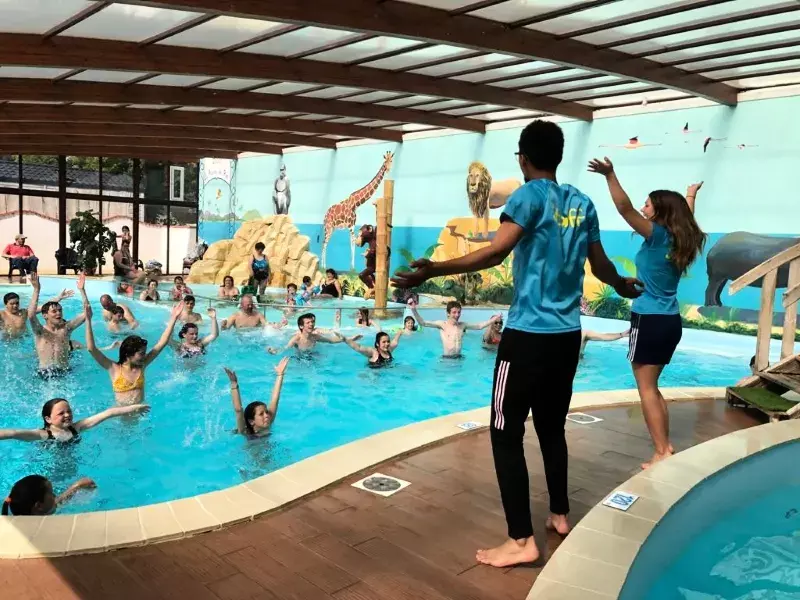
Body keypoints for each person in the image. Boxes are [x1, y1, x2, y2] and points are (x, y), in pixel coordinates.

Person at [392, 120, 642, 568]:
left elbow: (495, 252)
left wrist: (432, 270)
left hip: (527, 336)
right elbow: (600, 265)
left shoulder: (527, 197)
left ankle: (521, 539)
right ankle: (560, 514)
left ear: (523, 159)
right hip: (566, 337)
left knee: (505, 432)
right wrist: (621, 285)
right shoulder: (582, 202)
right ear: (558, 157)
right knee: (551, 428)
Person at [589, 156, 705, 469]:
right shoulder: (682, 238)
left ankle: (661, 451)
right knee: (653, 387)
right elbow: (686, 215)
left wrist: (610, 175)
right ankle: (665, 446)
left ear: (660, 212)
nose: (643, 209)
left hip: (649, 320)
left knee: (647, 389)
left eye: (648, 205)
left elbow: (623, 208)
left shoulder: (657, 237)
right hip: (669, 321)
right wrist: (690, 194)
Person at [84, 300, 184, 405]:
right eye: (141, 353)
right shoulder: (113, 368)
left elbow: (161, 343)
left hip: (141, 413)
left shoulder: (142, 365)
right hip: (121, 413)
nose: (145, 356)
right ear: (128, 353)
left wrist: (173, 318)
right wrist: (88, 320)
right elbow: (91, 349)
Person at [0, 397, 150, 443]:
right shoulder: (44, 434)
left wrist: (134, 408)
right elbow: (13, 433)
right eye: (61, 413)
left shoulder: (76, 427)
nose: (67, 415)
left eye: (69, 411)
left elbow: (108, 413)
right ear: (48, 419)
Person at [28, 273, 87, 376]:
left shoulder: (67, 328)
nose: (58, 313)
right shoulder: (40, 331)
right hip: (45, 373)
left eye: (60, 310)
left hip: (64, 372)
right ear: (45, 315)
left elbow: (87, 314)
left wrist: (82, 291)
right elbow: (31, 315)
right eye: (54, 311)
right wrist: (36, 290)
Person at [224, 357, 289, 437]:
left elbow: (275, 399)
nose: (266, 415)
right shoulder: (245, 431)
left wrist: (280, 374)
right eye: (261, 414)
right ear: (251, 421)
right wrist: (234, 384)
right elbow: (238, 410)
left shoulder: (268, 422)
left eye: (266, 412)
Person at [411, 301, 501, 358]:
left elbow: (479, 326)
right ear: (448, 313)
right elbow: (422, 323)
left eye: (459, 312)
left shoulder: (462, 325)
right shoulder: (442, 325)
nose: (457, 315)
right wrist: (413, 309)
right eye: (454, 312)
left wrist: (493, 320)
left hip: (459, 358)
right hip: (447, 359)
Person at [2, 475, 96, 516]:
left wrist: (76, 486)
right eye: (51, 493)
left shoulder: (31, 512)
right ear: (39, 506)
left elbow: (54, 504)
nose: (54, 495)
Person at [1, 289, 75, 339]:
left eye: (17, 303)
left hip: (23, 340)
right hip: (8, 342)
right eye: (12, 304)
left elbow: (44, 306)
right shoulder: (2, 314)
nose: (15, 306)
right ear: (5, 304)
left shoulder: (23, 312)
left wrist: (59, 298)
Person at [267, 313, 343, 354]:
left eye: (312, 322)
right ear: (301, 326)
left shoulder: (315, 337)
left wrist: (345, 339)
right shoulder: (296, 338)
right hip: (299, 358)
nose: (311, 324)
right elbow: (285, 348)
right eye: (308, 323)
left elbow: (331, 340)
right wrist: (274, 351)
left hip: (312, 355)